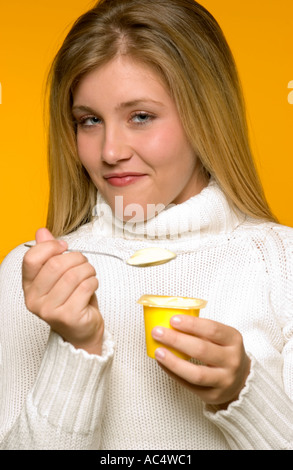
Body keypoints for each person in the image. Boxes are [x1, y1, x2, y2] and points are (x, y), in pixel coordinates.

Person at [0, 0, 293, 450]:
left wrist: (243, 393)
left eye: (140, 116)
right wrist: (76, 347)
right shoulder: (36, 276)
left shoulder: (280, 264)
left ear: (205, 117)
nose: (110, 150)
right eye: (89, 121)